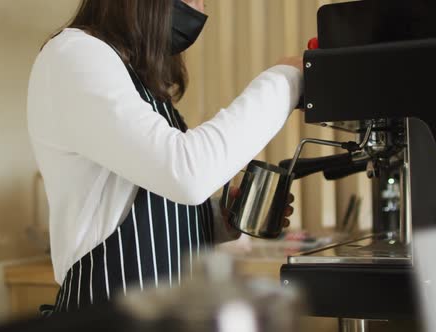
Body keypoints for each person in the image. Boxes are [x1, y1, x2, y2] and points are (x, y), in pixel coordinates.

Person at [27, 0, 303, 315]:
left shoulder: (134, 81)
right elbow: (187, 173)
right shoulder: (74, 54)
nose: (201, 7)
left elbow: (142, 201)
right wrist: (285, 80)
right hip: (108, 318)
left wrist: (217, 219)